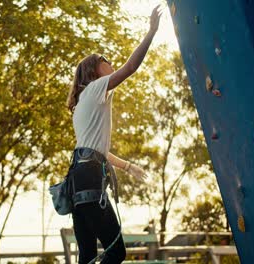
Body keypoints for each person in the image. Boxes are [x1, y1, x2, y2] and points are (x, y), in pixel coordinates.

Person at [66, 5, 162, 264]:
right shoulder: (97, 88)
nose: (110, 63)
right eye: (105, 60)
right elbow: (130, 67)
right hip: (88, 176)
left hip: (76, 178)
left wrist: (128, 166)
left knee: (86, 256)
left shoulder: (80, 105)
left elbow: (98, 150)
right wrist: (151, 32)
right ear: (94, 70)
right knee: (116, 252)